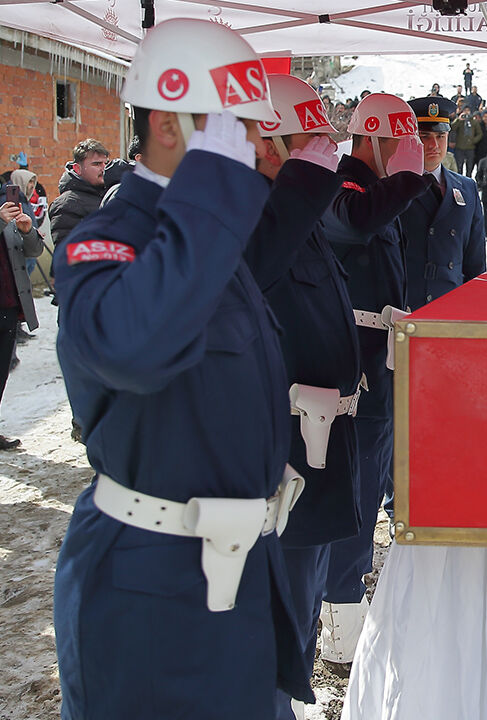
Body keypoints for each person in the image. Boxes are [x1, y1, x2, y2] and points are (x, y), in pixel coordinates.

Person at [51, 18, 313, 718]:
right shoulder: (104, 242)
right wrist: (213, 200)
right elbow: (135, 350)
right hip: (154, 593)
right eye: (235, 128)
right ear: (168, 123)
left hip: (241, 579)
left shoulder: (212, 237)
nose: (258, 148)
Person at [243, 73, 362, 720]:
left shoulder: (300, 212)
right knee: (275, 622)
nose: (324, 148)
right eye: (309, 137)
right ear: (267, 144)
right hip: (283, 457)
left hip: (320, 451)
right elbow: (252, 272)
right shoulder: (255, 212)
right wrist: (299, 189)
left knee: (303, 608)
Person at [319, 92, 429, 665]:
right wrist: (408, 182)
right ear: (372, 139)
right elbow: (354, 222)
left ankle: (346, 610)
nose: (409, 154)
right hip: (355, 379)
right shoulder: (345, 187)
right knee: (355, 500)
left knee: (371, 487)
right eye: (399, 143)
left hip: (379, 373)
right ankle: (340, 629)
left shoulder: (378, 192)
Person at [402, 95, 487, 309]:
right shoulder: (394, 187)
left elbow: (475, 259)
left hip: (451, 304)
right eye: (424, 136)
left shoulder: (467, 188)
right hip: (406, 307)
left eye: (440, 136)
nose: (434, 145)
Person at [0, 197, 42, 449]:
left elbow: (34, 250)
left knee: (1, 375)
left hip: (8, 308)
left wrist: (27, 231)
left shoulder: (7, 213)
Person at [48, 138, 108, 247]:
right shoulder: (66, 204)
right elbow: (68, 252)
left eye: (106, 163)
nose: (104, 168)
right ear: (77, 169)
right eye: (97, 164)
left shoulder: (109, 195)